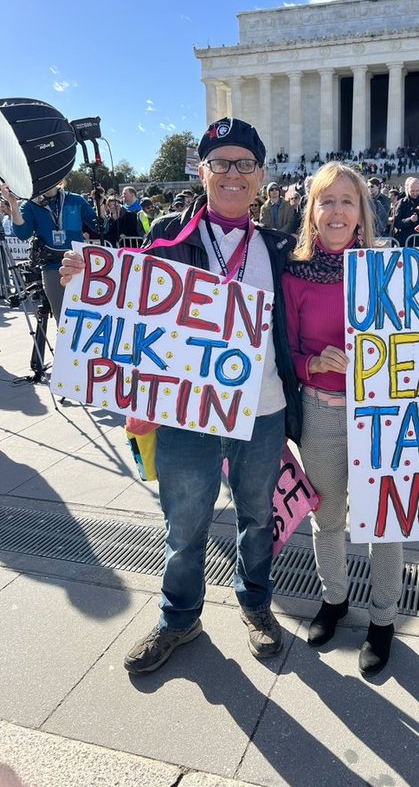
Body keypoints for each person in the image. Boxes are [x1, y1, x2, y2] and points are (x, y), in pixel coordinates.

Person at [60, 117, 302, 673]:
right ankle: (179, 617)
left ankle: (256, 605)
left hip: (262, 411)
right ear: (203, 172)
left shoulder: (281, 246)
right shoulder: (169, 238)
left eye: (245, 163)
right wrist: (83, 277)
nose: (233, 174)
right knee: (185, 522)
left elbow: (344, 271)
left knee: (257, 517)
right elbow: (123, 297)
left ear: (261, 174)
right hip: (186, 411)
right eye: (221, 163)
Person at [282, 162, 419, 676]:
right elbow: (287, 351)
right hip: (321, 413)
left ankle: (383, 619)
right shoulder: (295, 273)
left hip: (381, 412)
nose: (337, 211)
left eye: (348, 201)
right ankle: (335, 598)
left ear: (363, 212)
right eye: (327, 201)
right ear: (312, 211)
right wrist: (312, 363)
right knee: (327, 518)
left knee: (384, 521)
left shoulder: (389, 266)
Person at [0, 181, 101, 322]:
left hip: (79, 266)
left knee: (89, 318)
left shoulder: (75, 200)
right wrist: (13, 205)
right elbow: (23, 233)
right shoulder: (30, 205)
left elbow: (100, 228)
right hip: (52, 268)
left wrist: (99, 203)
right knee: (64, 321)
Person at [393, 177, 419, 245]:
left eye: (417, 191)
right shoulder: (402, 202)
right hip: (404, 240)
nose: (415, 193)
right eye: (412, 191)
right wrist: (409, 220)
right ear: (407, 189)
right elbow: (397, 223)